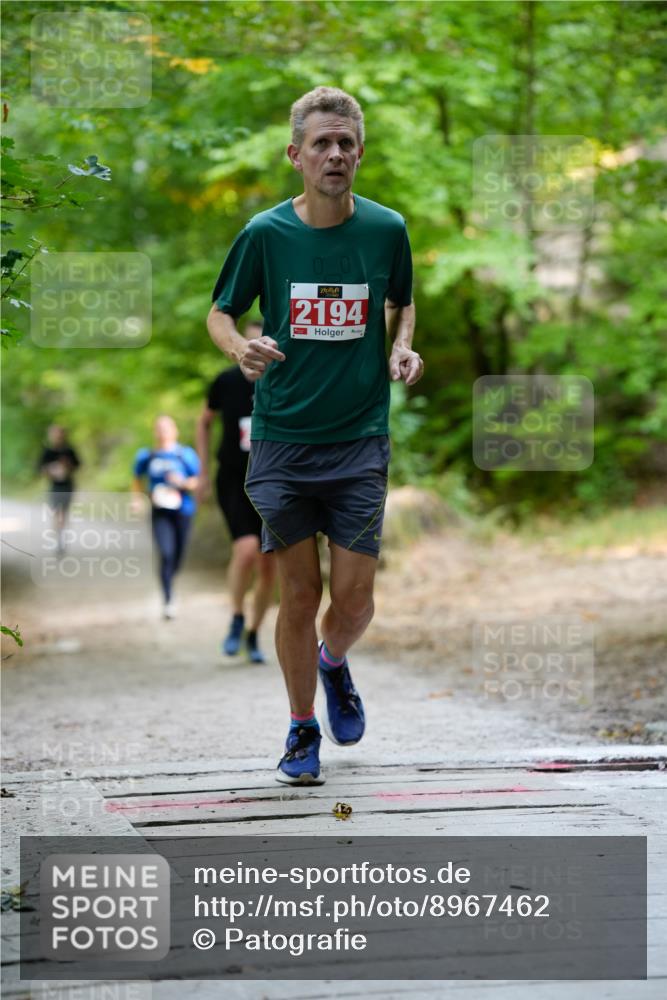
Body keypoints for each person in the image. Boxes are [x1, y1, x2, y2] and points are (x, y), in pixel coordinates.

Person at [206, 86, 423, 785]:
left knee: (354, 599)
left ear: (360, 152)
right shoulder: (266, 234)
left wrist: (400, 347)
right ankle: (301, 729)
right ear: (295, 155)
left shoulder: (386, 229)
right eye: (321, 143)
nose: (334, 154)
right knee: (298, 593)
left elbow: (401, 300)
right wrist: (238, 346)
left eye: (346, 143)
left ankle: (334, 661)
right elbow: (220, 312)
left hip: (359, 436)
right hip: (281, 440)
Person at [197, 319, 276, 664]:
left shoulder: (282, 381)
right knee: (246, 552)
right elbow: (204, 420)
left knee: (269, 564)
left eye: (265, 348)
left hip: (274, 480)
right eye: (252, 347)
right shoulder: (225, 382)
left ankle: (254, 634)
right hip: (232, 477)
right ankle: (236, 616)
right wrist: (201, 471)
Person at [132, 415, 200, 620]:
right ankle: (168, 598)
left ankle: (170, 580)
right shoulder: (147, 455)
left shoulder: (185, 454)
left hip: (183, 510)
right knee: (166, 553)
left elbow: (197, 481)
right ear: (155, 432)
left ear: (175, 430)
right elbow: (136, 478)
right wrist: (137, 498)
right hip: (159, 511)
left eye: (167, 428)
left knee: (178, 556)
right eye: (159, 428)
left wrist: (183, 483)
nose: (163, 432)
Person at [39, 424, 81, 556]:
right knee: (57, 513)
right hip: (55, 486)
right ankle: (58, 540)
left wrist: (67, 466)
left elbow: (78, 465)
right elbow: (40, 469)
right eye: (55, 434)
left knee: (64, 513)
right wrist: (50, 470)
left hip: (68, 485)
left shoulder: (69, 451)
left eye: (60, 434)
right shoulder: (47, 452)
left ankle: (61, 539)